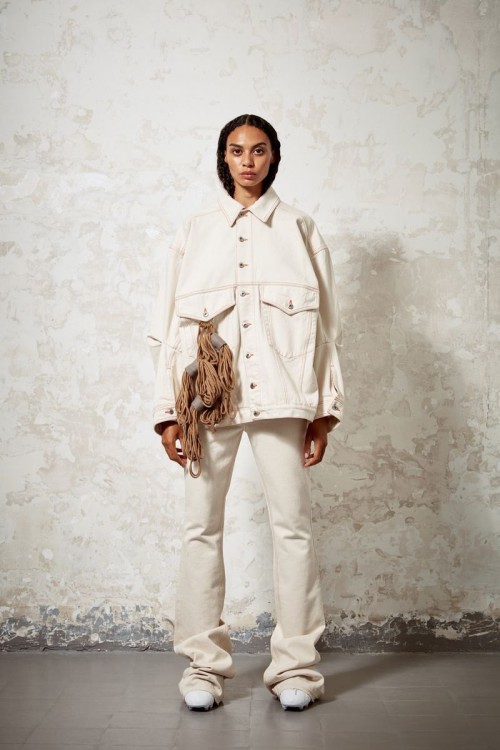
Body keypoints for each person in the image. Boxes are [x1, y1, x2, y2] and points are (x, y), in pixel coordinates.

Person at [148, 114, 344, 712]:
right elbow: (165, 329)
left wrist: (323, 411)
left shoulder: (300, 228)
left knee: (293, 528)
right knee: (200, 527)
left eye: (259, 150)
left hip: (283, 398)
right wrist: (168, 412)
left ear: (273, 156)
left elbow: (328, 330)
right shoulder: (195, 230)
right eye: (237, 151)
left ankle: (296, 668)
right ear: (224, 158)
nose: (248, 161)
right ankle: (202, 667)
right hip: (206, 403)